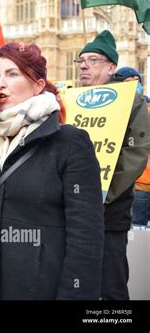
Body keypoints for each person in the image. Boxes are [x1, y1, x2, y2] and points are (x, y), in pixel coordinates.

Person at [0, 42, 104, 300]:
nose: (0, 83)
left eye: (12, 74)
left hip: (37, 285)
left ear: (38, 85)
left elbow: (86, 239)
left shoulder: (70, 142)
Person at [77, 31, 148, 300]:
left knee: (111, 286)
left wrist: (103, 193)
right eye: (81, 60)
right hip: (72, 212)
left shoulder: (131, 100)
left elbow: (136, 154)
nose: (84, 64)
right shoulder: (69, 100)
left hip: (110, 213)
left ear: (111, 67)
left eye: (93, 59)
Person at [115, 67, 150, 227]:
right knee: (138, 230)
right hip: (140, 185)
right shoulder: (119, 111)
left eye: (137, 83)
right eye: (129, 83)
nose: (135, 86)